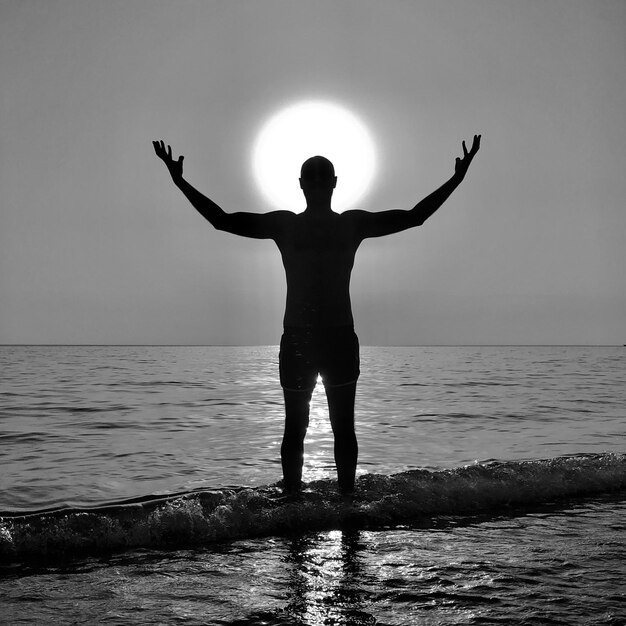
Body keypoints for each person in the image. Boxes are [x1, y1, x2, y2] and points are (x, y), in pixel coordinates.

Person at [153, 134, 481, 495]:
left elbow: (415, 217)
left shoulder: (350, 224)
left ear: (334, 183)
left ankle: (347, 501)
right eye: (313, 176)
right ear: (302, 184)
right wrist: (180, 181)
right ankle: (292, 501)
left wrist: (457, 179)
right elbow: (221, 220)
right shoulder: (285, 225)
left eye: (323, 176)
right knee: (296, 426)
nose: (318, 181)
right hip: (298, 338)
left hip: (338, 335)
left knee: (343, 426)